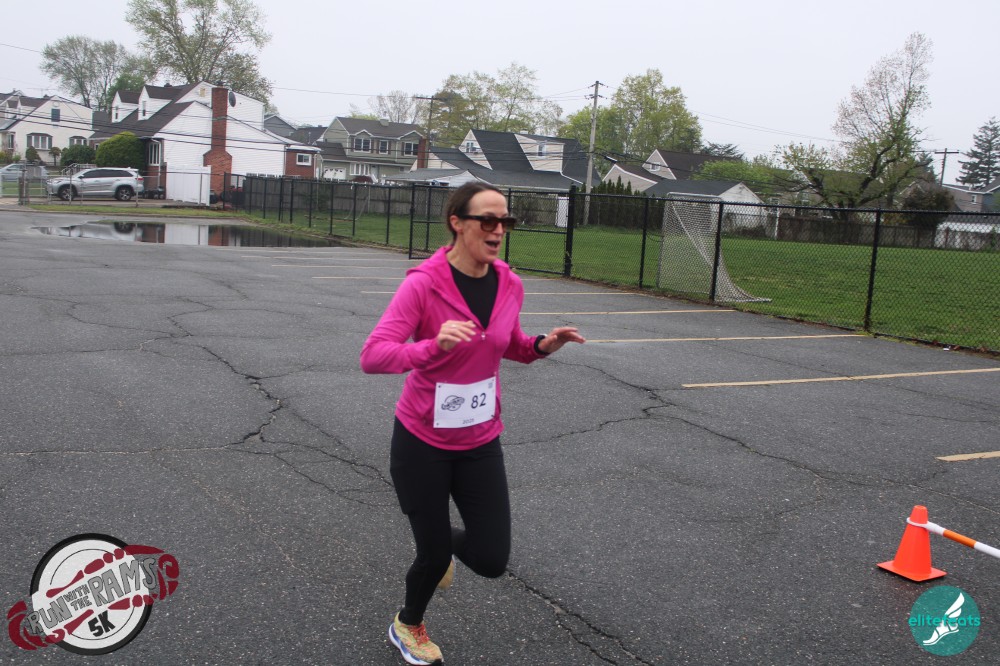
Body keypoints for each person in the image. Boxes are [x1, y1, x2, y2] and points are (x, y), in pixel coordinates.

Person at [360, 182, 585, 665]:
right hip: (422, 441)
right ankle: (407, 625)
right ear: (457, 223)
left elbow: (508, 343)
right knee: (433, 555)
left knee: (490, 559)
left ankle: (439, 546)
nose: (498, 230)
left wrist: (542, 345)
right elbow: (373, 356)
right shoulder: (423, 284)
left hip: (480, 440)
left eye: (505, 221)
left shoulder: (509, 283)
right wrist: (431, 346)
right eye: (488, 220)